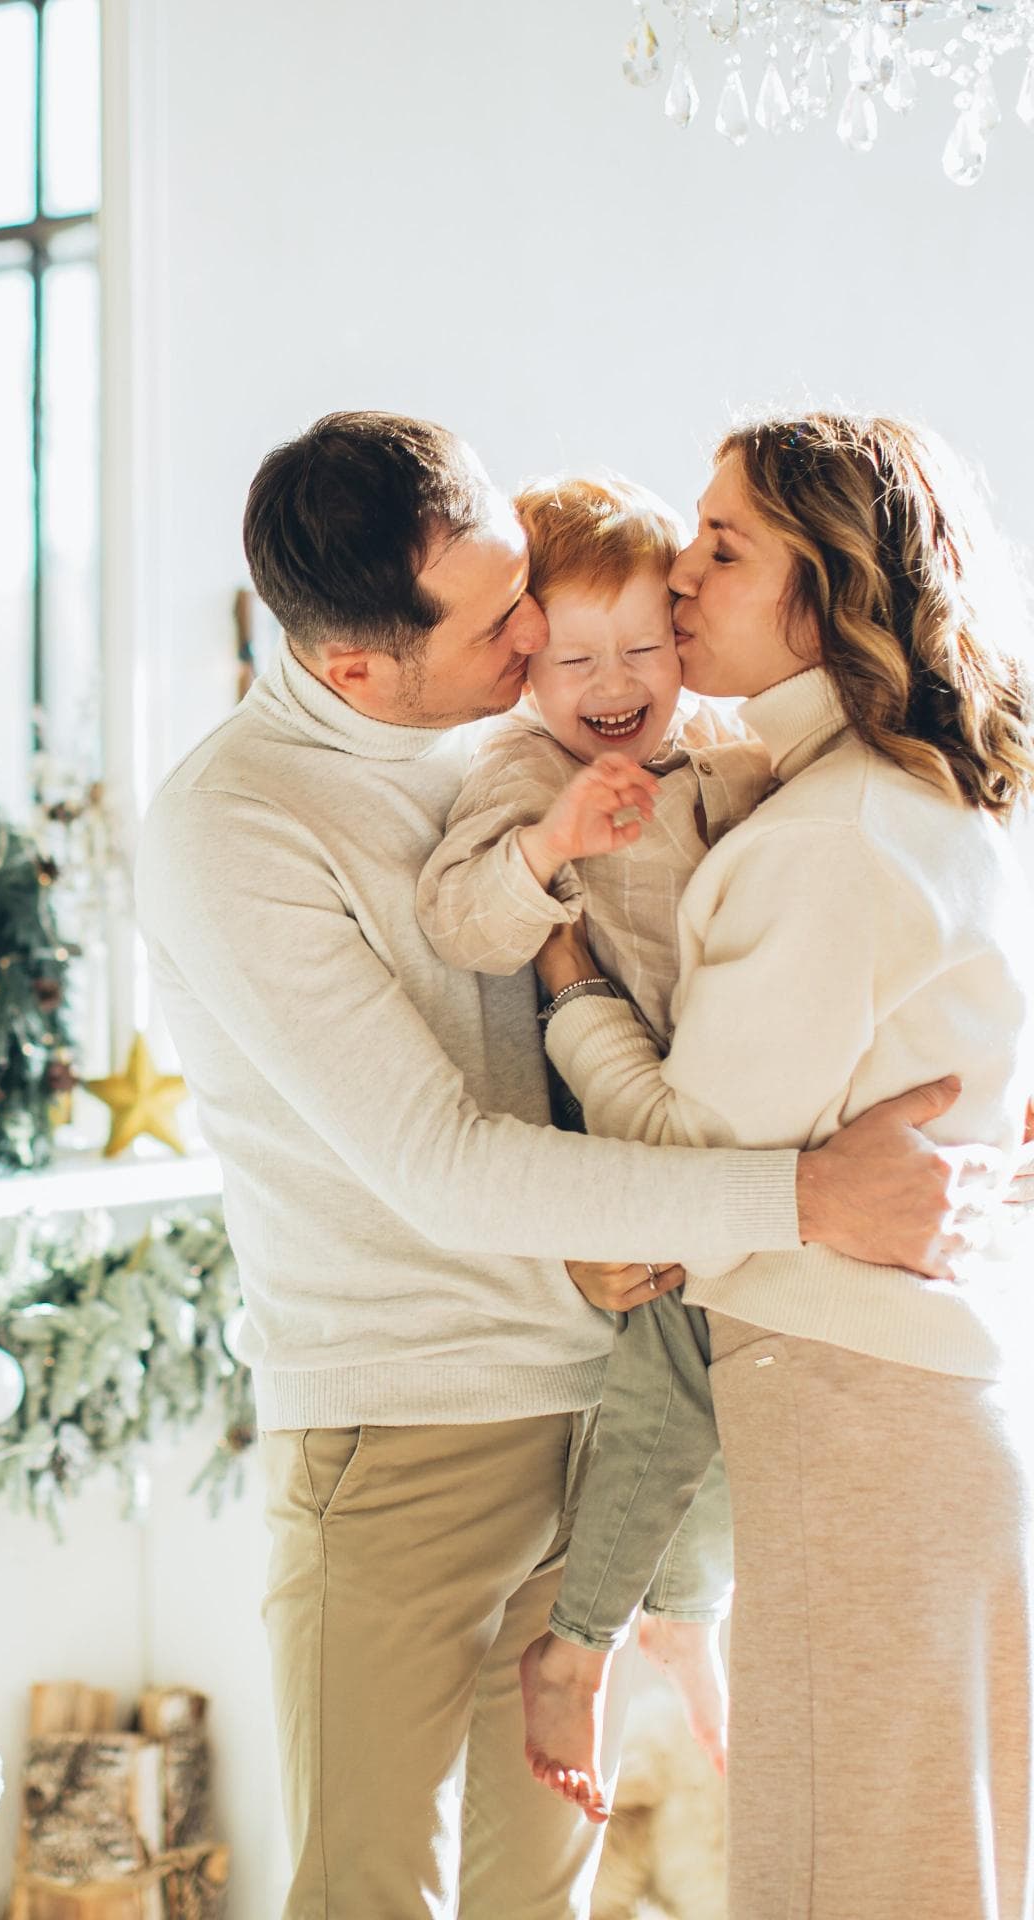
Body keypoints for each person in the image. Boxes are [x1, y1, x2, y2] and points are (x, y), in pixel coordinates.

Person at [133, 411, 995, 1920]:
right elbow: (443, 1164)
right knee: (369, 1896)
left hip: (596, 1385)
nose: (544, 631)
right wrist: (802, 1194)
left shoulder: (519, 735)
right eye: (496, 620)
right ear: (355, 669)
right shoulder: (236, 822)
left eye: (520, 581)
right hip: (407, 1427)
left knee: (546, 1900)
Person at [533, 412, 1034, 1916]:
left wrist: (568, 992)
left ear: (829, 587)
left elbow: (692, 1162)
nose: (680, 573)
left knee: (850, 1881)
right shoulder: (881, 799)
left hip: (851, 1411)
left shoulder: (838, 835)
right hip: (904, 1412)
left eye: (725, 543)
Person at [415, 472, 770, 1791]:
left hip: (711, 1107)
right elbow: (459, 925)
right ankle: (589, 1638)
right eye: (573, 657)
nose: (614, 682)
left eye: (642, 648)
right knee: (677, 1376)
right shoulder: (520, 767)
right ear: (525, 665)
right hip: (619, 1123)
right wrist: (551, 846)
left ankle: (679, 1613)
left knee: (732, 1377)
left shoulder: (718, 743)